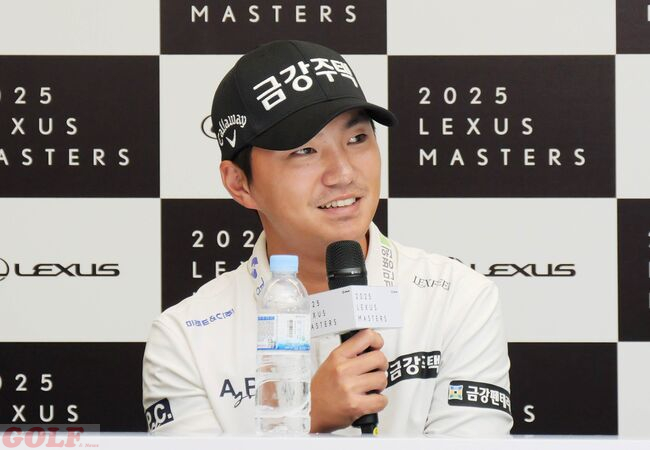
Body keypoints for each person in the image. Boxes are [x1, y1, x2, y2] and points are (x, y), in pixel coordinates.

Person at [142, 40, 513, 436]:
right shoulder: (186, 339)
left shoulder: (457, 298)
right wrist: (306, 421)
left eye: (357, 139)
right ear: (240, 183)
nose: (343, 173)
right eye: (304, 150)